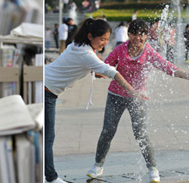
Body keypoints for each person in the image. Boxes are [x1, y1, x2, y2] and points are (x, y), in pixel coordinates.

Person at [45, 18, 149, 183]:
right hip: (46, 92)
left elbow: (93, 67)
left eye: (107, 40)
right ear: (90, 36)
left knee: (45, 136)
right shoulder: (85, 53)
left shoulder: (78, 45)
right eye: (102, 39)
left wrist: (98, 71)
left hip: (46, 87)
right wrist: (132, 91)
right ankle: (50, 177)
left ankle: (47, 175)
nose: (105, 43)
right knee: (48, 137)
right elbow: (111, 72)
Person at [87, 19, 189, 182]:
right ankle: (98, 165)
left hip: (138, 98)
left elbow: (167, 66)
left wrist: (186, 75)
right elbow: (106, 65)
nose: (138, 38)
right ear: (129, 35)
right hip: (116, 95)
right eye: (134, 34)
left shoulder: (149, 52)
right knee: (107, 131)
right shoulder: (120, 50)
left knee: (141, 133)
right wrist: (100, 72)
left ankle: (152, 168)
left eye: (142, 35)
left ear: (147, 36)